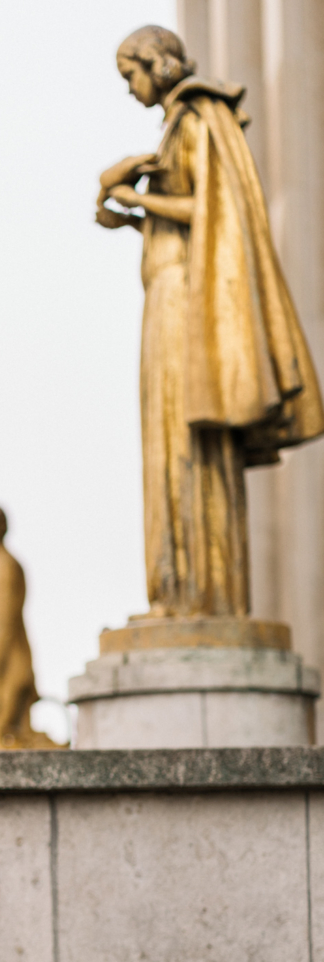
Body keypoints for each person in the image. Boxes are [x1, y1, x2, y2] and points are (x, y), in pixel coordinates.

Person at [97, 25, 323, 617]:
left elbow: (211, 206)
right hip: (168, 297)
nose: (129, 90)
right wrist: (133, 220)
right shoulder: (179, 124)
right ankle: (175, 589)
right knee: (170, 441)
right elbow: (195, 217)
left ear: (158, 64)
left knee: (186, 439)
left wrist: (137, 197)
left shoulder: (198, 116)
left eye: (131, 75)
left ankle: (200, 593)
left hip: (182, 303)